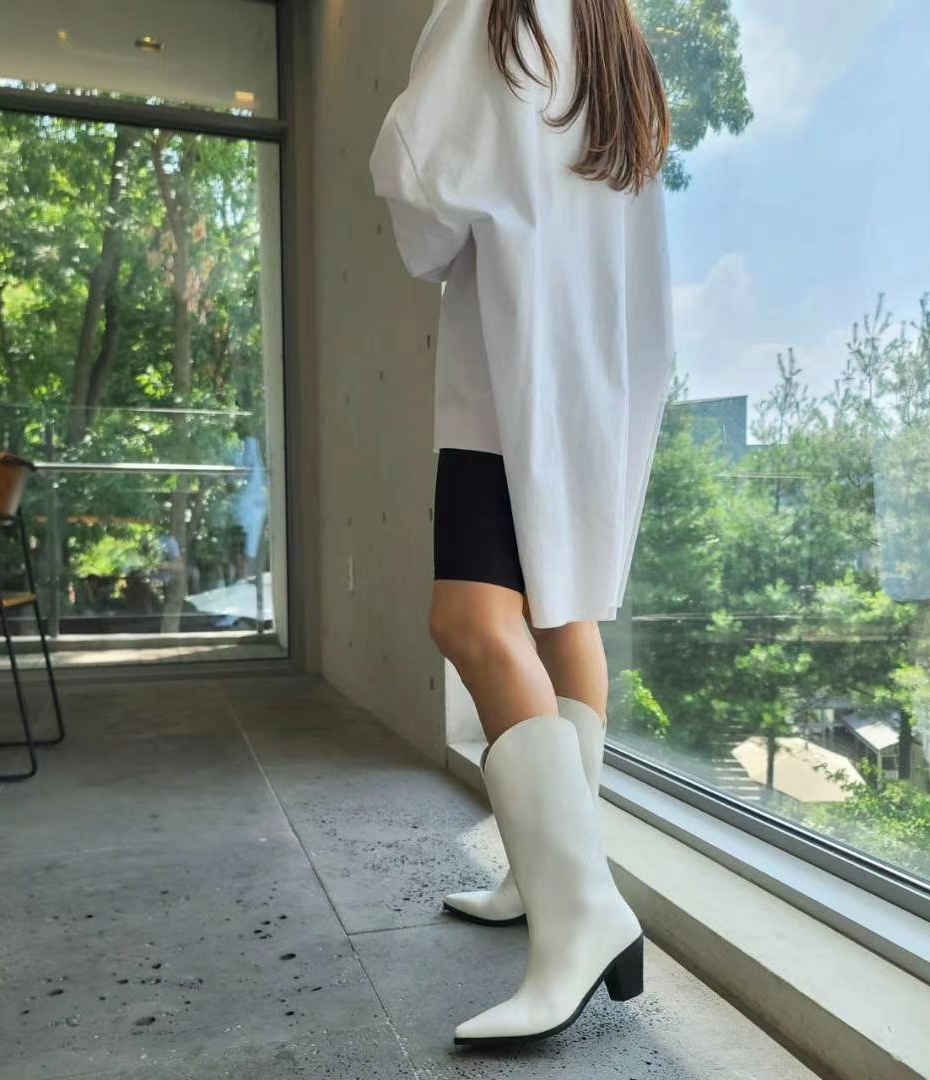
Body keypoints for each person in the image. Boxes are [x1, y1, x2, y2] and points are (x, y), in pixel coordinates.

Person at [370, 0, 674, 1047]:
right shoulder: (615, 33)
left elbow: (424, 182)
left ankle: (580, 908)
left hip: (519, 365)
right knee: (562, 611)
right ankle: (543, 876)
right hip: (606, 368)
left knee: (467, 617)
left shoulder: (498, 11)